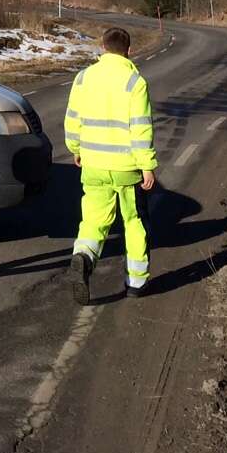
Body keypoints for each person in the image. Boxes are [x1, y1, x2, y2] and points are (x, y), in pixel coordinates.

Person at [65, 26, 156, 303]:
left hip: (93, 164)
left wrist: (76, 148)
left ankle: (83, 256)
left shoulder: (83, 78)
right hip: (126, 169)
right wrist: (147, 166)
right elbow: (140, 129)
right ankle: (136, 282)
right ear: (129, 51)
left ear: (102, 48)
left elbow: (73, 119)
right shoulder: (134, 82)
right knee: (134, 221)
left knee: (93, 220)